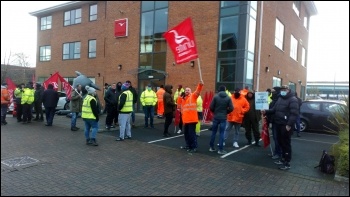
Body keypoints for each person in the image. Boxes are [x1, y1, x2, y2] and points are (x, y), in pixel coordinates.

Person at [262, 85, 299, 170]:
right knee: (281, 143)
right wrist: (266, 111)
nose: (283, 91)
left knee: (286, 144)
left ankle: (287, 163)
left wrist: (289, 125)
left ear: (288, 90)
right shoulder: (280, 98)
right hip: (278, 123)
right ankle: (282, 159)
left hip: (285, 125)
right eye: (282, 89)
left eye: (285, 89)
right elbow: (274, 110)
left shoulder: (293, 99)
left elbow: (294, 114)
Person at [180, 81, 204, 153]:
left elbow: (198, 91)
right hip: (186, 120)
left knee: (191, 134)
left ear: (190, 91)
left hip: (192, 119)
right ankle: (188, 145)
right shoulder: (183, 99)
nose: (187, 91)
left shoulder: (193, 96)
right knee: (186, 134)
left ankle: (193, 147)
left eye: (188, 90)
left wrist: (200, 85)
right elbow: (182, 110)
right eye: (186, 90)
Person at [209, 85, 234, 155]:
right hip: (223, 117)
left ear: (219, 90)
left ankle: (211, 147)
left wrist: (215, 112)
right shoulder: (228, 98)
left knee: (213, 132)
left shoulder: (215, 97)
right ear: (225, 90)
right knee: (222, 133)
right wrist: (226, 112)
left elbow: (211, 107)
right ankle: (220, 149)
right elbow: (232, 108)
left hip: (216, 116)